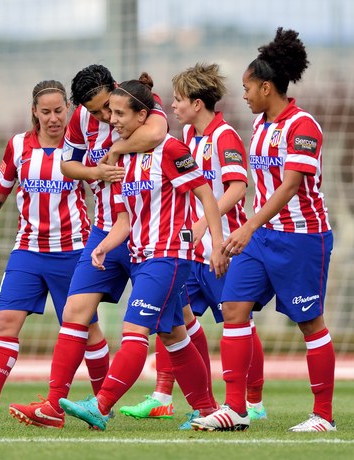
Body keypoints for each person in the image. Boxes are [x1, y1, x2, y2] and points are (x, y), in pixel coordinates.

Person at [57, 73, 228, 431]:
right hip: (140, 255)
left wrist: (216, 245)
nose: (112, 121)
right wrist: (103, 247)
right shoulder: (123, 162)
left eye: (119, 114)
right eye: (110, 114)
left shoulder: (170, 149)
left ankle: (101, 406)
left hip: (168, 257)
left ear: (142, 116)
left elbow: (206, 195)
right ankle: (208, 408)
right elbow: (124, 220)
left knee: (133, 330)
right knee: (174, 336)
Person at [191, 28, 336, 433]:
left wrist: (247, 227)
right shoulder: (260, 126)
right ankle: (235, 408)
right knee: (234, 309)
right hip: (263, 237)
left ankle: (323, 416)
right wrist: (245, 232)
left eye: (247, 87)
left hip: (303, 239)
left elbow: (290, 185)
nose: (245, 95)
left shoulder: (303, 125)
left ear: (266, 86)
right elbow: (263, 188)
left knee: (311, 324)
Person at [8, 65, 168, 428]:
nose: (103, 117)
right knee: (75, 312)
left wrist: (113, 152)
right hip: (105, 230)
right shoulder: (80, 118)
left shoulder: (139, 103)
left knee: (178, 327)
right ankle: (53, 407)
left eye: (105, 109)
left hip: (148, 232)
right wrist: (96, 171)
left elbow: (157, 134)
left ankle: (212, 406)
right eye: (95, 112)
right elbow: (68, 166)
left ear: (114, 90)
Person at [0, 80, 108, 422]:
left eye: (59, 111)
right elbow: (0, 192)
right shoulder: (19, 146)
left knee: (89, 330)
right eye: (46, 111)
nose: (53, 118)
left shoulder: (79, 147)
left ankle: (100, 405)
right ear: (34, 112)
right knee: (6, 321)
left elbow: (105, 191)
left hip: (73, 252)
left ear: (69, 109)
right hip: (28, 251)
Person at [119, 63, 267, 428]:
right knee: (176, 323)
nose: (173, 105)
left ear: (198, 104)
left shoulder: (224, 137)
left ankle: (254, 400)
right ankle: (172, 398)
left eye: (179, 99)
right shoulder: (187, 135)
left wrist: (203, 224)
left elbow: (236, 187)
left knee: (238, 322)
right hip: (189, 253)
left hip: (224, 248)